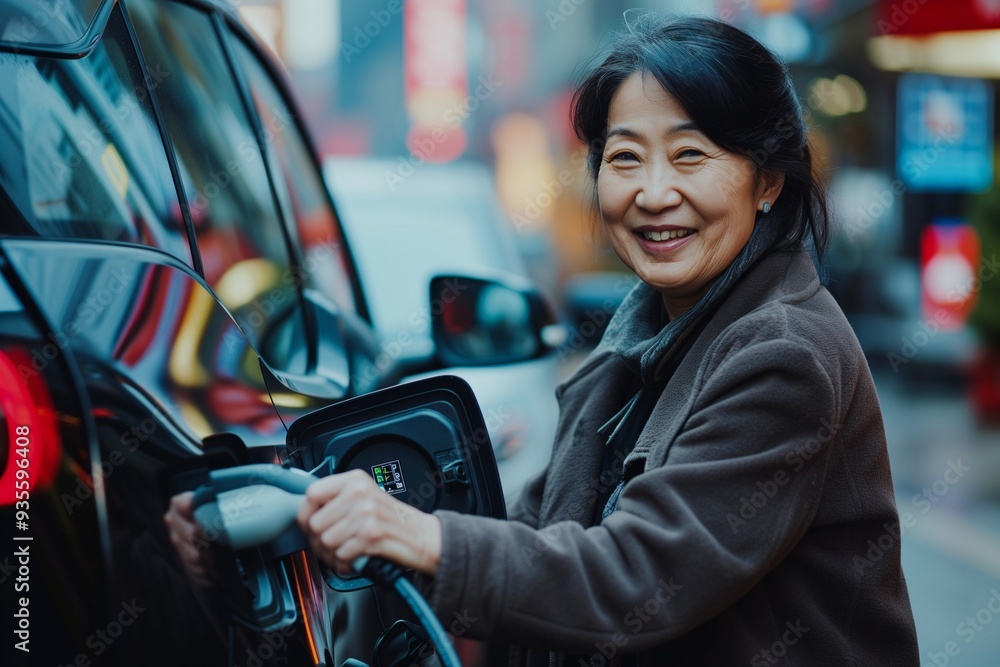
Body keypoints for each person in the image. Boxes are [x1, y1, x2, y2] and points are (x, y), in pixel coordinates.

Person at [303, 15, 923, 666]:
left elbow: (641, 579)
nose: (655, 194)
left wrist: (424, 538)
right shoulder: (633, 350)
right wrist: (327, 518)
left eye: (691, 155)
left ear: (767, 180)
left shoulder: (786, 353)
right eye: (625, 157)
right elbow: (531, 535)